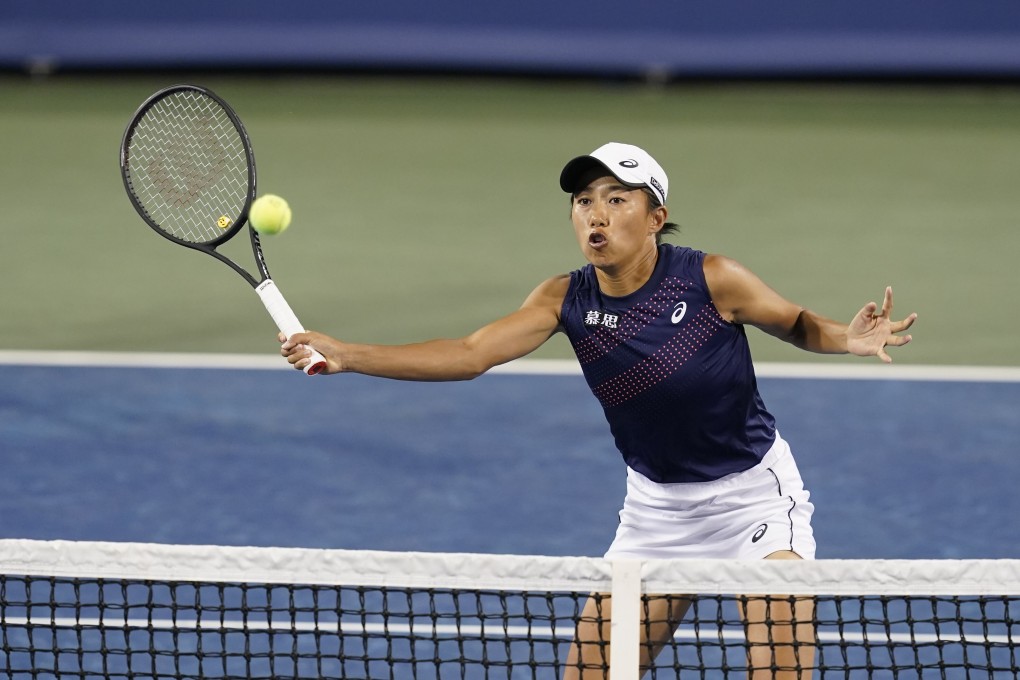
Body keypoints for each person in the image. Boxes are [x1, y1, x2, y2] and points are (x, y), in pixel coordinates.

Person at [280, 142, 917, 679]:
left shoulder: (711, 278)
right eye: (585, 200)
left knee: (780, 662)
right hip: (657, 510)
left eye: (617, 199)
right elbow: (470, 353)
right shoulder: (564, 298)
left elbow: (796, 323)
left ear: (655, 215)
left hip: (752, 498)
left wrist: (847, 336)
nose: (597, 215)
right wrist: (348, 353)